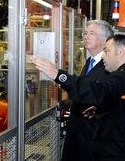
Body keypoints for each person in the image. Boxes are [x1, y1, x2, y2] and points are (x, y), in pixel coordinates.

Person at [32, 34, 125, 161]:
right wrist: (102, 110)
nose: (103, 55)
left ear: (121, 51)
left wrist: (59, 75)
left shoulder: (121, 79)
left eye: (107, 51)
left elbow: (94, 90)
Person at [37, 19, 114, 161]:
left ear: (106, 40)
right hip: (78, 132)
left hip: (91, 136)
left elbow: (96, 94)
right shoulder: (90, 62)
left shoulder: (109, 67)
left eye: (91, 33)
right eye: (85, 33)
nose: (86, 36)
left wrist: (58, 75)